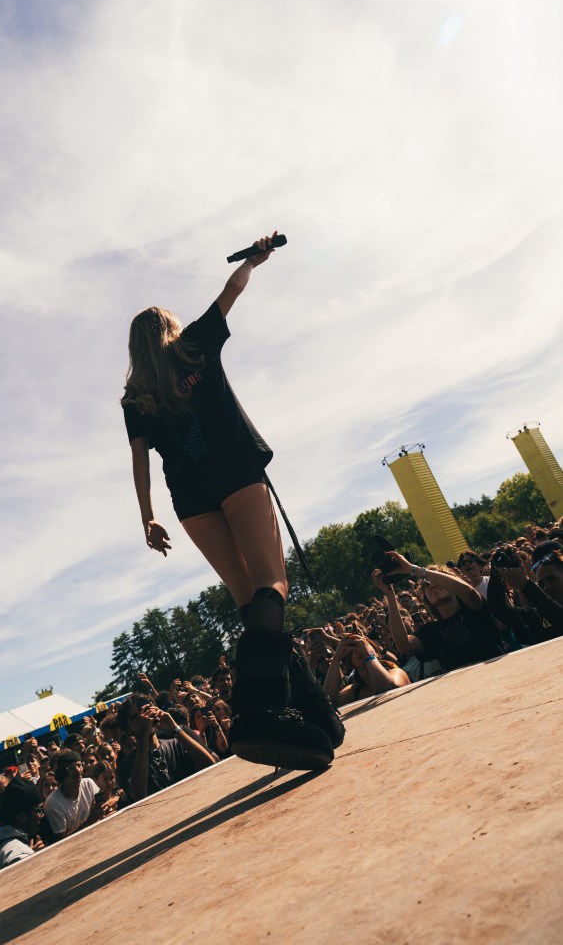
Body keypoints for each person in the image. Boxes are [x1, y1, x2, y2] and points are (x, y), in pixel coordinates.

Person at [122, 233, 343, 770]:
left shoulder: (135, 397)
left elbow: (139, 458)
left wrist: (148, 517)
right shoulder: (194, 345)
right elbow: (232, 289)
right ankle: (258, 709)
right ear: (169, 329)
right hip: (236, 474)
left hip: (189, 499)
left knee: (249, 603)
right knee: (273, 585)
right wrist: (255, 259)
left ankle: (311, 708)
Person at [116, 695, 216, 802]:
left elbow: (210, 765)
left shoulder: (177, 744)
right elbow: (138, 795)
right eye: (136, 717)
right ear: (127, 729)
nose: (145, 718)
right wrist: (144, 734)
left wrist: (175, 728)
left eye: (147, 711)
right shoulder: (125, 766)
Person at [0, 777, 42, 879]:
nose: (41, 815)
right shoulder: (20, 856)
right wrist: (31, 860)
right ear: (21, 816)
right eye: (38, 810)